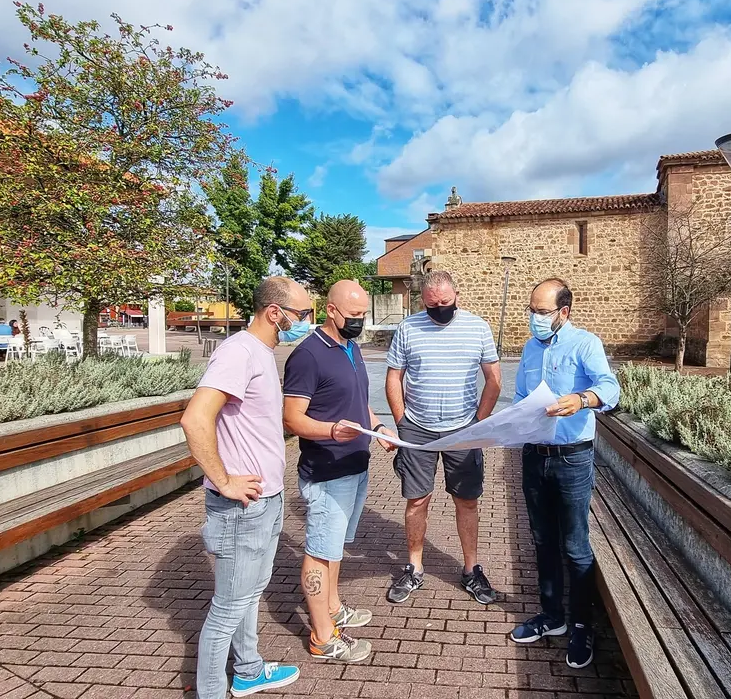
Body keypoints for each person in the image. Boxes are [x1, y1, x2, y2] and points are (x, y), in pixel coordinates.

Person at [180, 276, 311, 698]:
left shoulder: (259, 353)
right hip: (242, 506)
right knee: (229, 607)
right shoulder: (238, 352)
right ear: (276, 313)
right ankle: (212, 691)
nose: (305, 321)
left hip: (265, 499)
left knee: (251, 593)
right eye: (303, 314)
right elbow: (195, 418)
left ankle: (250, 670)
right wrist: (224, 480)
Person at [508, 278, 619, 671]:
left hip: (572, 457)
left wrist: (582, 399)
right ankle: (552, 616)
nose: (534, 318)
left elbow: (611, 388)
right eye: (531, 310)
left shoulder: (585, 343)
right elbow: (522, 396)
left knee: (575, 544)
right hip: (534, 455)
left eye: (541, 312)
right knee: (542, 540)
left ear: (563, 312)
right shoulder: (529, 347)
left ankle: (581, 625)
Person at [282, 280, 396, 663]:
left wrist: (377, 429)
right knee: (319, 551)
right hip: (326, 472)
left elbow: (357, 403)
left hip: (355, 464)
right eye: (353, 315)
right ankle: (322, 636)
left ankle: (332, 609)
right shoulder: (308, 355)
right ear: (330, 310)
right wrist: (332, 430)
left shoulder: (351, 347)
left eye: (364, 315)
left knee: (334, 549)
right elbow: (292, 418)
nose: (359, 322)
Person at [385, 270, 502, 605]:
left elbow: (494, 380)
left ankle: (471, 569)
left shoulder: (477, 327)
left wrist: (478, 423)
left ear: (457, 295)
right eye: (431, 304)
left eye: (445, 303)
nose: (439, 309)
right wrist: (401, 421)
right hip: (418, 429)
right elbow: (394, 378)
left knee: (466, 500)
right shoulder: (408, 328)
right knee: (417, 499)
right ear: (422, 300)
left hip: (463, 429)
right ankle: (414, 567)